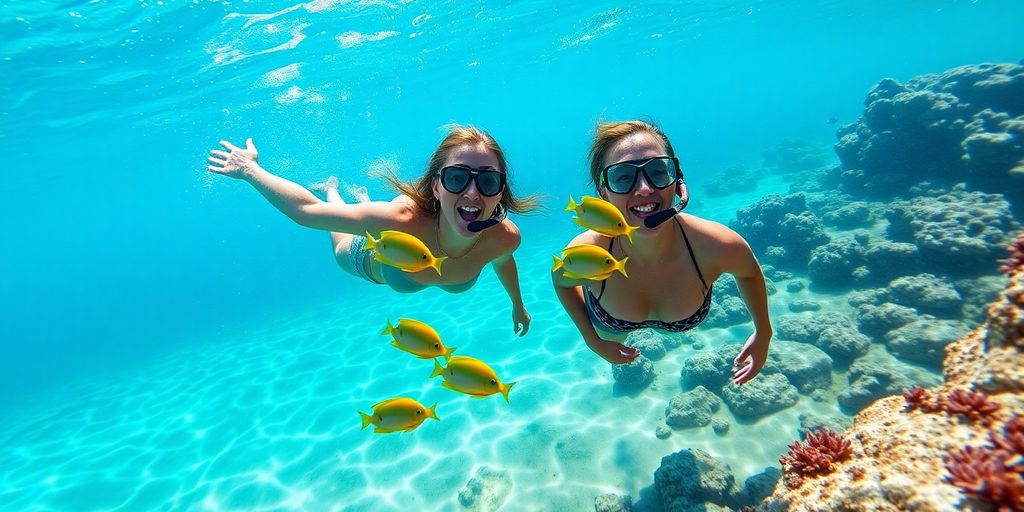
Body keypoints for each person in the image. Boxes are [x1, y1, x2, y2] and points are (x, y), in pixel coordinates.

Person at [207, 125, 539, 336]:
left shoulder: (504, 237)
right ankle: (333, 190)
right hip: (377, 259)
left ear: (500, 190)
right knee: (341, 249)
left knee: (370, 216)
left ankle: (361, 202)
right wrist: (250, 170)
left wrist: (518, 304)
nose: (472, 193)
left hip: (412, 248)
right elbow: (306, 213)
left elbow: (503, 261)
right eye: (456, 178)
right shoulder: (400, 221)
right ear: (436, 187)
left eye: (488, 180)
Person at [551, 120, 772, 385]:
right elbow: (562, 282)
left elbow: (749, 272)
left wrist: (764, 332)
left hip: (614, 321)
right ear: (604, 194)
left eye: (657, 171)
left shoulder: (718, 244)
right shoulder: (588, 252)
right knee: (612, 336)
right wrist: (593, 340)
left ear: (677, 181)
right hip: (610, 328)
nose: (644, 188)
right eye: (622, 177)